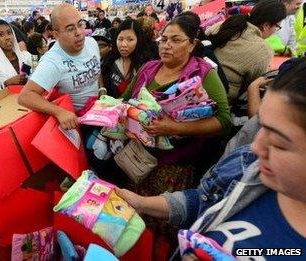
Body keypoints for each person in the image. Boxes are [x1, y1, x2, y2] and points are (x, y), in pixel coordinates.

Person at [117, 59, 306, 257]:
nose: (256, 147)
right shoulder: (245, 164)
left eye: (278, 142)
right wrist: (141, 202)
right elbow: (203, 200)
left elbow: (221, 121)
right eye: (260, 126)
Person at [118, 14, 231, 211]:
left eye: (175, 40)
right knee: (133, 214)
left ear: (191, 44)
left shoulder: (204, 73)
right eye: (163, 39)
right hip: (137, 159)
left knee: (161, 219)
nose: (166, 45)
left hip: (174, 167)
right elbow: (124, 101)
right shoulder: (148, 68)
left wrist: (174, 127)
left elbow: (224, 121)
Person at [18, 3, 101, 130]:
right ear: (56, 35)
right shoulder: (52, 62)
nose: (79, 32)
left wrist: (102, 90)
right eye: (70, 29)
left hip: (99, 111)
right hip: (77, 123)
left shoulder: (91, 43)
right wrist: (59, 112)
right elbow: (25, 96)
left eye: (80, 24)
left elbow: (95, 70)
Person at [205, 0, 287, 102]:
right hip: (220, 103)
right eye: (277, 27)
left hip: (195, 89)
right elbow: (251, 86)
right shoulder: (263, 49)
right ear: (266, 25)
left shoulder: (222, 25)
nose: (275, 31)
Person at [101, 19, 154, 98]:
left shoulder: (146, 64)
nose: (124, 44)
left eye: (130, 39)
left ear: (138, 40)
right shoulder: (110, 59)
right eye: (120, 39)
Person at [0, 20, 32, 95]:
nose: (7, 38)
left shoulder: (26, 56)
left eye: (9, 33)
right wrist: (6, 84)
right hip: (8, 104)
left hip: (29, 100)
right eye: (1, 35)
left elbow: (34, 77)